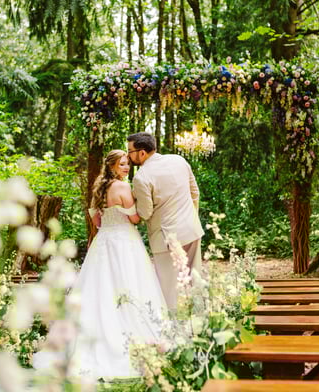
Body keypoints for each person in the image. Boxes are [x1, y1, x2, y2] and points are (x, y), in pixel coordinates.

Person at [33, 149, 166, 380]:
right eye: (122, 164)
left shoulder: (99, 189)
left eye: (127, 164)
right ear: (112, 166)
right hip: (124, 241)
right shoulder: (123, 188)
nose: (126, 168)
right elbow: (135, 218)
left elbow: (96, 220)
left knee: (96, 289)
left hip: (104, 241)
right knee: (129, 284)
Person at [127, 132, 204, 309]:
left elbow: (145, 213)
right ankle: (202, 326)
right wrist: (191, 217)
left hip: (165, 238)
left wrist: (130, 202)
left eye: (130, 151)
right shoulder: (178, 160)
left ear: (142, 153)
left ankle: (174, 331)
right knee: (196, 281)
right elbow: (195, 192)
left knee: (169, 291)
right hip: (191, 230)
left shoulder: (141, 177)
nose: (129, 156)